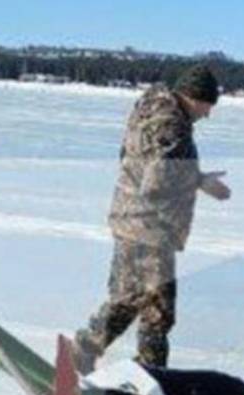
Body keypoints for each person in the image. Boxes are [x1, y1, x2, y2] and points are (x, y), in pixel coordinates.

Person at [73, 64, 231, 371]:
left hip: (131, 219)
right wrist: (201, 182)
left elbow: (140, 164)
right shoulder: (171, 124)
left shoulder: (150, 111)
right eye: (207, 106)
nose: (207, 114)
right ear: (193, 97)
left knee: (130, 298)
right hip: (149, 227)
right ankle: (149, 373)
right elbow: (158, 183)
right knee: (156, 310)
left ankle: (88, 352)